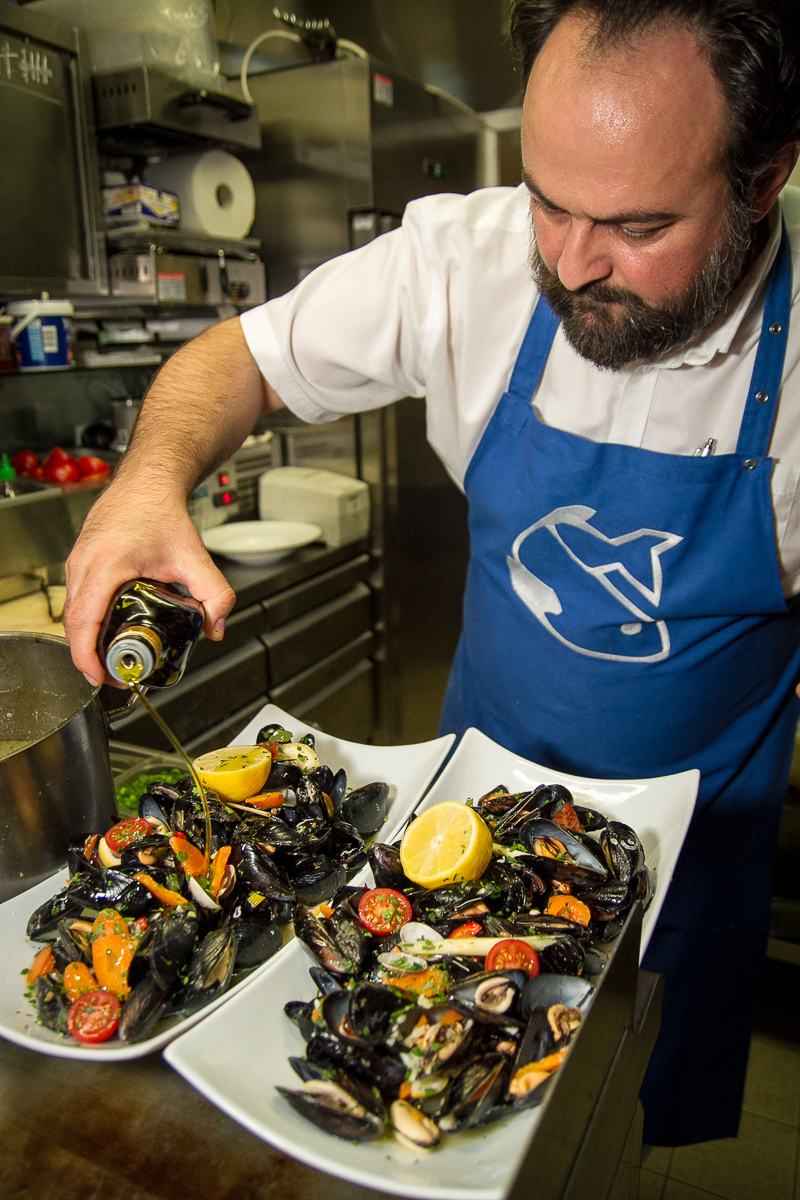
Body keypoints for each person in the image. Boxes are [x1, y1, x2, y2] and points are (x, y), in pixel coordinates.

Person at [64, 0, 800, 1146]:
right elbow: (240, 361)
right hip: (464, 826)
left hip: (694, 858)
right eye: (547, 201)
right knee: (433, 1104)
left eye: (637, 224)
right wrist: (148, 480)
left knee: (616, 1126)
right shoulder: (467, 260)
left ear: (763, 178)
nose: (569, 261)